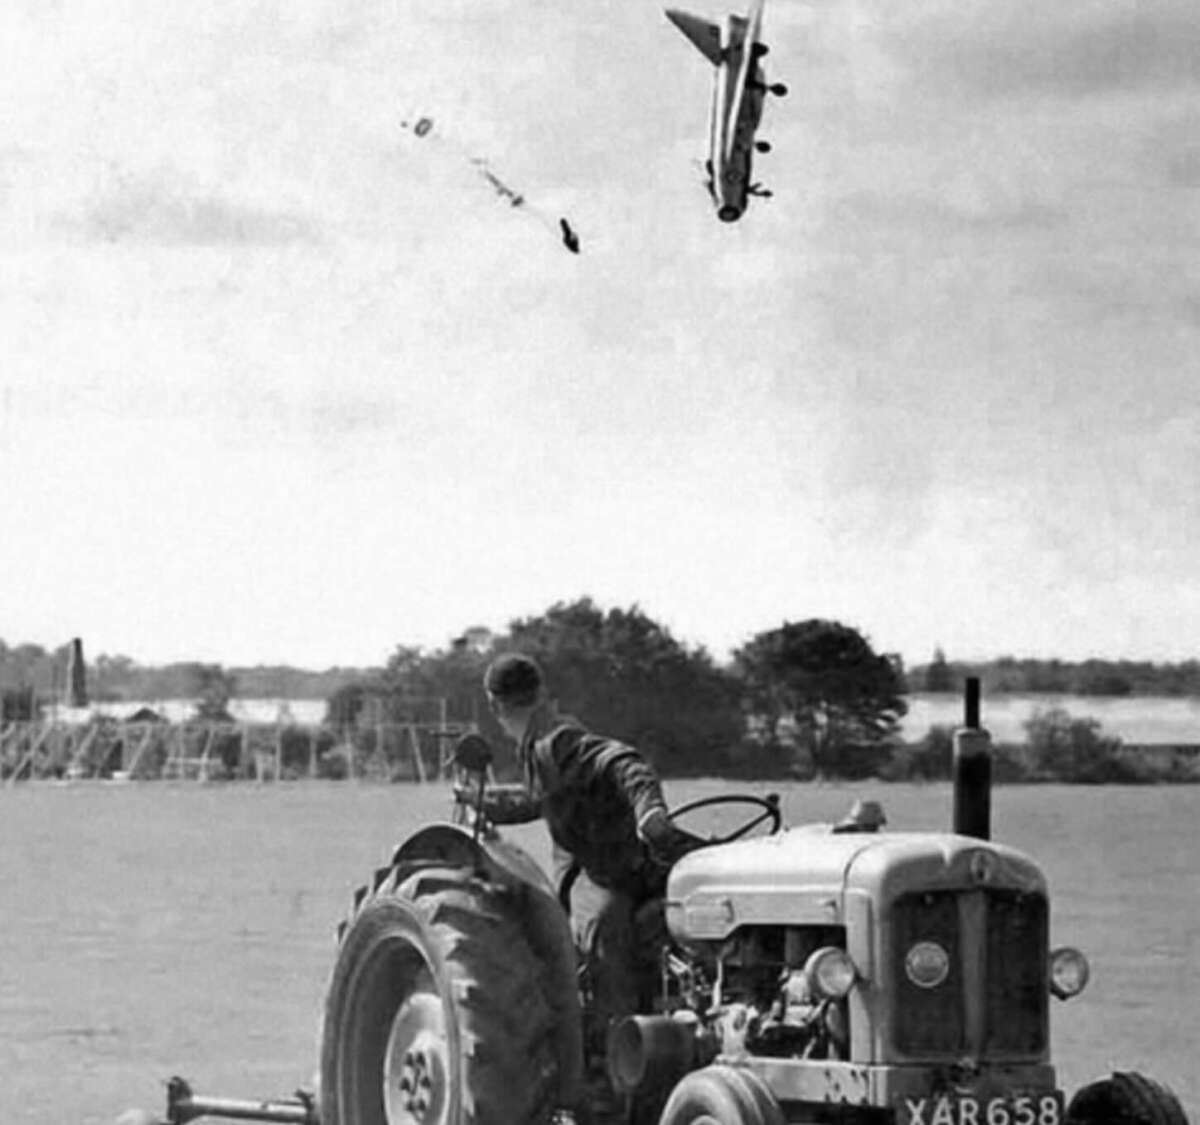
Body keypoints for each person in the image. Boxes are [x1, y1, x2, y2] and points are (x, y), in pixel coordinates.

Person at [475, 653, 696, 1075]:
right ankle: (612, 1056)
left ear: (496, 706)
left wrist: (650, 812)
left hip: (613, 870)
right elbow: (546, 800)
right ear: (540, 692)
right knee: (596, 935)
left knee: (603, 935)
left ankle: (623, 1061)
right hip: (605, 869)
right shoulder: (538, 744)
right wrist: (489, 807)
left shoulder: (557, 740)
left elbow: (623, 762)